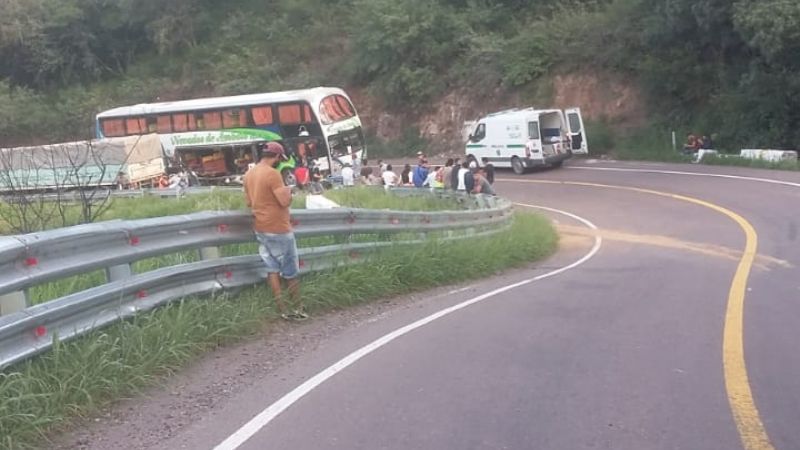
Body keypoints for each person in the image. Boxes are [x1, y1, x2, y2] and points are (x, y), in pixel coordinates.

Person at [243, 141, 306, 321]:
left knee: (271, 268)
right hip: (279, 227)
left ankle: (281, 308)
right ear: (277, 157)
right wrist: (289, 192)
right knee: (290, 270)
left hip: (260, 227)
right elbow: (284, 201)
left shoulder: (249, 174)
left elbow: (249, 202)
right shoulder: (273, 174)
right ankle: (298, 307)